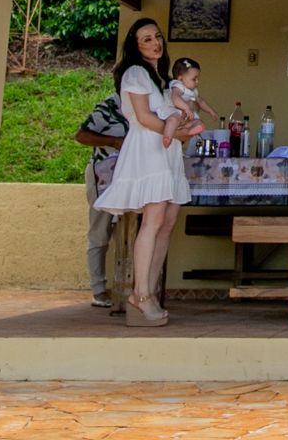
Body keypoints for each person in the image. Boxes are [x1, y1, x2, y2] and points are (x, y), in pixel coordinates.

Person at [93, 18, 204, 327]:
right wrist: (178, 134)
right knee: (153, 221)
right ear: (135, 46)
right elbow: (142, 117)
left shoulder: (161, 78)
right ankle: (139, 295)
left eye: (157, 37)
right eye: (146, 39)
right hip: (148, 150)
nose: (155, 42)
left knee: (167, 223)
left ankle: (150, 292)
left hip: (166, 153)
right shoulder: (136, 72)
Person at [72, 91, 127, 309]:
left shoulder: (147, 105)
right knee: (100, 231)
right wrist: (114, 141)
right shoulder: (109, 107)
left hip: (130, 177)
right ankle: (98, 290)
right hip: (103, 176)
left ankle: (126, 287)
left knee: (126, 232)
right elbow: (81, 135)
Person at [166, 56, 225, 130]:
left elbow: (200, 101)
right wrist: (186, 108)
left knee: (199, 122)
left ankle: (187, 129)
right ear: (180, 79)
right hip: (175, 113)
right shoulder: (178, 86)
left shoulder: (192, 91)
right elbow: (175, 98)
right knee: (172, 120)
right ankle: (168, 135)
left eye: (198, 79)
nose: (197, 82)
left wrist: (210, 111)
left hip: (187, 116)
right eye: (194, 79)